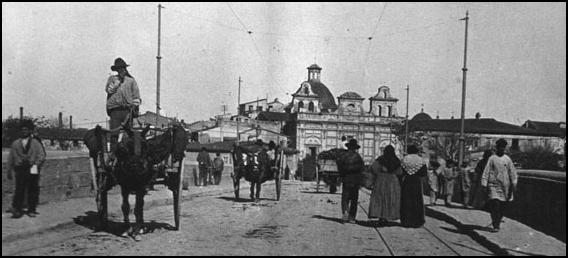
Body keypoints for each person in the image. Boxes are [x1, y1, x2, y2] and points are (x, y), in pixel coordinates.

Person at [7, 119, 46, 218]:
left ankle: (31, 209)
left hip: (32, 167)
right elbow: (11, 158)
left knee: (33, 189)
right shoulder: (15, 143)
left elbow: (41, 155)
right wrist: (9, 170)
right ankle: (17, 209)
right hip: (20, 168)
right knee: (19, 189)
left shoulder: (35, 143)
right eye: (22, 130)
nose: (24, 131)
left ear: (30, 131)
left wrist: (36, 164)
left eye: (26, 129)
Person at [105, 57, 141, 165]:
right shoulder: (112, 79)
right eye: (119, 69)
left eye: (123, 68)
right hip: (115, 110)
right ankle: (112, 155)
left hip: (127, 110)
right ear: (116, 70)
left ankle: (128, 155)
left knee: (128, 134)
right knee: (114, 133)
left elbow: (136, 97)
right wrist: (118, 82)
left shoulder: (131, 81)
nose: (122, 70)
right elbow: (109, 89)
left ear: (125, 69)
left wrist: (135, 109)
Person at [481, 139, 518, 232]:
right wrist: (484, 184)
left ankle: (497, 221)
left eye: (503, 147)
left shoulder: (507, 159)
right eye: (499, 147)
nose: (501, 149)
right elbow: (486, 172)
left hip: (505, 186)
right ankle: (495, 224)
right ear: (497, 148)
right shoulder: (492, 159)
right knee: (495, 204)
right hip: (493, 185)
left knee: (502, 206)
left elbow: (512, 173)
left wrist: (514, 184)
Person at [368, 145, 402, 224]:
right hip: (393, 181)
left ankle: (381, 216)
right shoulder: (396, 160)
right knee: (391, 198)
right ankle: (388, 215)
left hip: (381, 180)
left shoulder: (381, 159)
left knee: (381, 198)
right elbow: (400, 172)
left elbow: (374, 168)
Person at [336, 139, 364, 223]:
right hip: (355, 180)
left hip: (346, 179)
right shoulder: (358, 157)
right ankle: (352, 217)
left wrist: (341, 175)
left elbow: (339, 167)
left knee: (345, 197)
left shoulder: (343, 156)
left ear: (348, 147)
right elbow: (362, 168)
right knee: (354, 199)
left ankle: (345, 212)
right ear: (355, 148)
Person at [399, 145, 428, 228]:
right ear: (416, 151)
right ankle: (417, 221)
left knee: (406, 200)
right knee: (417, 200)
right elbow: (424, 173)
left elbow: (401, 171)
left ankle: (406, 221)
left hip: (407, 181)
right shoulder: (420, 160)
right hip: (416, 182)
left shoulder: (404, 159)